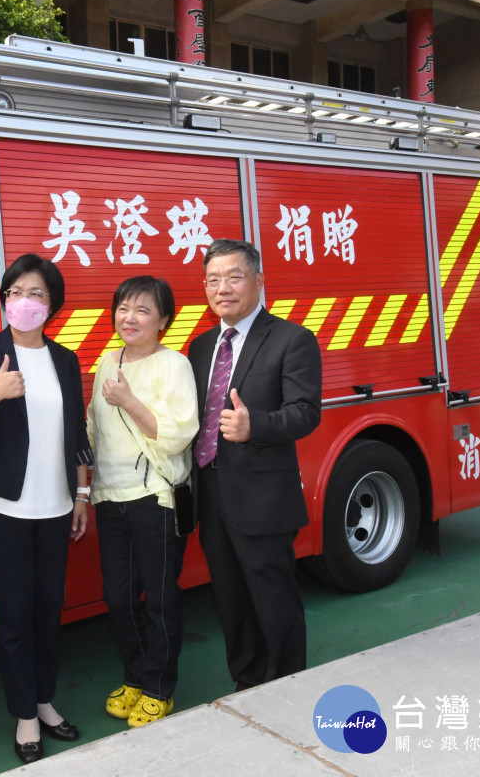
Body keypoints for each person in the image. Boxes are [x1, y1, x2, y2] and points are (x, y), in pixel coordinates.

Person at [0, 253, 90, 766]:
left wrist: (82, 494)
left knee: (48, 608)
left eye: (36, 294)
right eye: (15, 292)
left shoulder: (65, 360)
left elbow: (77, 434)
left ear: (53, 306)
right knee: (13, 612)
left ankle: (45, 700)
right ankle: (24, 714)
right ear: (4, 298)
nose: (23, 302)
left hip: (54, 504)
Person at [188, 238, 321, 691]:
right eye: (212, 279)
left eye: (233, 276)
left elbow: (305, 412)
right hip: (211, 496)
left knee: (273, 598)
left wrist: (255, 424)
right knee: (229, 599)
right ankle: (247, 684)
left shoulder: (292, 339)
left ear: (259, 281)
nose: (221, 288)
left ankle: (287, 684)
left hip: (264, 498)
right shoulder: (201, 345)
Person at [87, 276, 198, 727]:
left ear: (163, 321)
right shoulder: (105, 361)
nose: (129, 318)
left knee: (160, 598)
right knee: (118, 597)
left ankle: (159, 686)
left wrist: (130, 401)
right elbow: (94, 428)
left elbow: (178, 434)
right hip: (109, 497)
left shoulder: (174, 365)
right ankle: (135, 675)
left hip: (156, 497)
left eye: (142, 310)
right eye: (123, 308)